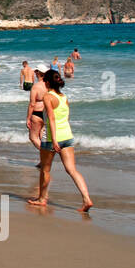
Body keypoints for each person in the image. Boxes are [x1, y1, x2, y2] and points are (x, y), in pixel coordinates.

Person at [29, 70, 94, 212]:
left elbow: (51, 118)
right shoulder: (64, 97)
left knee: (45, 170)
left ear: (46, 83)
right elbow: (65, 117)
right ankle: (86, 199)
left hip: (52, 138)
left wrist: (54, 139)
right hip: (68, 136)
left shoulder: (48, 96)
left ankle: (42, 199)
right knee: (72, 170)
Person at [24, 67, 49, 152]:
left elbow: (32, 104)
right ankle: (43, 161)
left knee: (33, 137)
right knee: (42, 136)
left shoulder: (36, 87)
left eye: (35, 71)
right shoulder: (49, 85)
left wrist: (28, 118)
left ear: (38, 73)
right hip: (47, 113)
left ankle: (46, 154)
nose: (34, 73)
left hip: (37, 113)